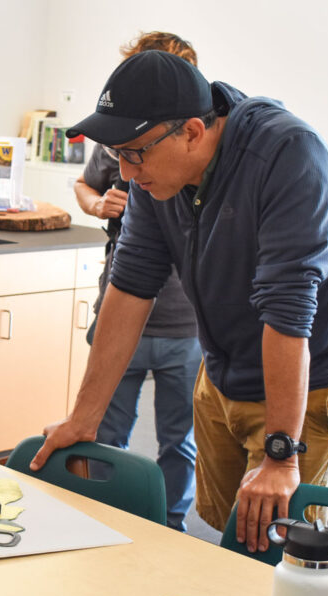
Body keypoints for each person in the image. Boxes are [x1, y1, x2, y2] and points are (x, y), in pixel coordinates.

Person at [34, 51, 328, 554]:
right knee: (226, 523)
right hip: (224, 364)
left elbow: (288, 313)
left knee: (278, 541)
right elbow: (129, 286)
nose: (126, 174)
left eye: (134, 155)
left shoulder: (288, 156)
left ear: (192, 131)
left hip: (311, 374)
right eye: (119, 155)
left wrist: (282, 456)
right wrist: (84, 417)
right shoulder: (156, 173)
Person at [73, 32, 202, 532]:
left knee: (179, 440)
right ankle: (101, 518)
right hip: (119, 316)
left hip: (182, 327)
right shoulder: (121, 142)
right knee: (104, 434)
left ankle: (170, 529)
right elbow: (86, 187)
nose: (130, 167)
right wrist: (98, 204)